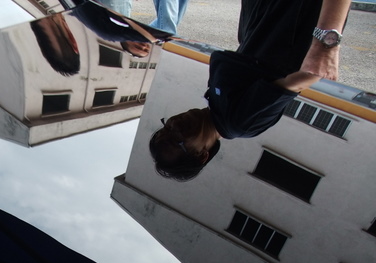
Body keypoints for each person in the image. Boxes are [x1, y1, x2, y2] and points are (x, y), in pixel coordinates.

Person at [150, 0, 352, 181]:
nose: (174, 125)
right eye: (176, 141)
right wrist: (326, 44)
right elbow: (307, 76)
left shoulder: (216, 107)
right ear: (202, 154)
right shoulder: (239, 123)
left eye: (166, 129)